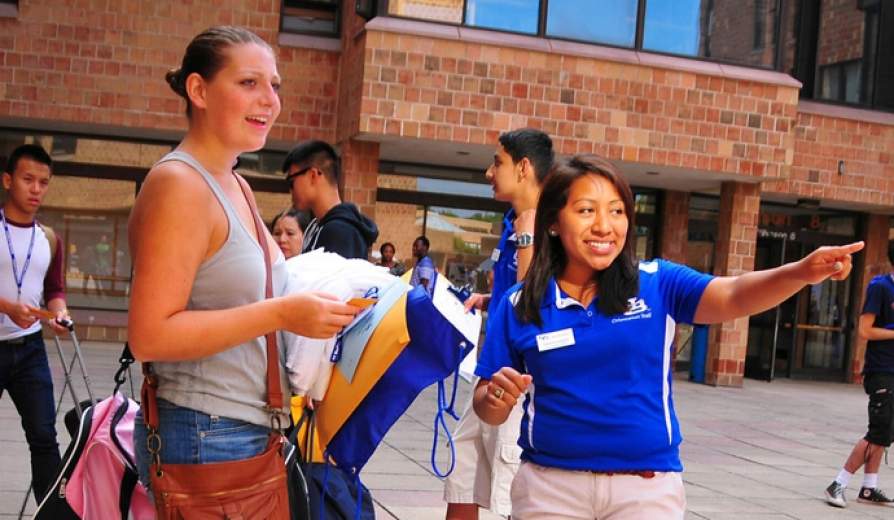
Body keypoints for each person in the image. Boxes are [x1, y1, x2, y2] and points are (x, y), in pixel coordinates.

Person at [473, 154, 863, 519]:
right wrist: (495, 399)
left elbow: (733, 294)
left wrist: (799, 272)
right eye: (586, 210)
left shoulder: (657, 283)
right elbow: (487, 403)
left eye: (617, 211)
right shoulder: (519, 303)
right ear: (554, 222)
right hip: (549, 489)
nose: (604, 226)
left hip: (644, 492)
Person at [127, 26, 358, 501]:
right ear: (199, 90)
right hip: (205, 432)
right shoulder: (179, 184)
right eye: (249, 83)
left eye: (274, 85)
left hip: (245, 429)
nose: (269, 100)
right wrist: (283, 314)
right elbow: (150, 335)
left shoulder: (236, 183)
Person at [445, 128, 554, 520]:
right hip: (490, 367)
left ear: (523, 168)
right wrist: (489, 299)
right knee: (461, 476)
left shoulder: (548, 226)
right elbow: (514, 295)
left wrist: (528, 238)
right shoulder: (514, 221)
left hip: (518, 380)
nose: (489, 173)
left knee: (511, 489)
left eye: (497, 163)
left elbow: (531, 306)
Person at [0, 144, 69, 502]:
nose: (36, 189)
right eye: (28, 179)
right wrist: (7, 307)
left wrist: (59, 313)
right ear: (7, 180)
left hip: (30, 349)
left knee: (44, 437)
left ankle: (50, 512)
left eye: (44, 182)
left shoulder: (49, 239)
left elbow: (54, 290)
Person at [824, 244, 894, 508]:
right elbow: (865, 330)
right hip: (882, 370)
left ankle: (869, 487)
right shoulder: (881, 287)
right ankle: (837, 484)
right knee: (878, 431)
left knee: (886, 431)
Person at [283, 140, 378, 259]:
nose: (290, 190)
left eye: (292, 182)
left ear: (313, 175)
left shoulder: (340, 231)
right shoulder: (317, 225)